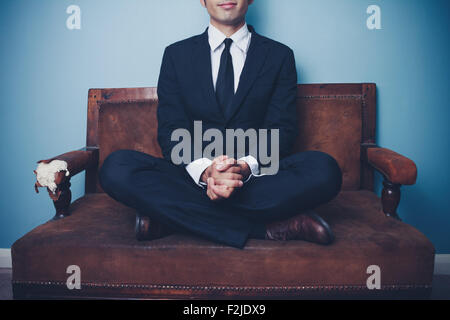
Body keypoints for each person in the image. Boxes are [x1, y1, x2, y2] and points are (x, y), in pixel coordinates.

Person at [99, 0, 343, 249]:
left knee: (325, 171)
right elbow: (171, 130)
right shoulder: (176, 55)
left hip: (256, 180)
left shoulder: (280, 56)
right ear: (203, 1)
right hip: (193, 181)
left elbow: (282, 130)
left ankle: (172, 219)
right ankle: (265, 228)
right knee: (116, 167)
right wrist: (207, 173)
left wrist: (242, 169)